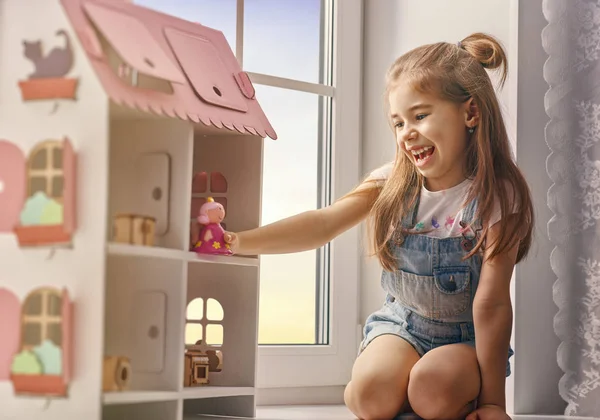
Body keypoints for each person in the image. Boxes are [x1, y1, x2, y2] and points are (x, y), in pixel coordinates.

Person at [223, 32, 533, 420]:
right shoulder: (393, 183)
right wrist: (236, 242)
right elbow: (322, 223)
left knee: (432, 389)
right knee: (369, 394)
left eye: (420, 115)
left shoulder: (498, 196)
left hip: (465, 339)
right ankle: (403, 396)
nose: (407, 133)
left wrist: (493, 403)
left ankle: (435, 399)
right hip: (403, 326)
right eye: (398, 122)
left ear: (470, 114)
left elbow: (492, 304)